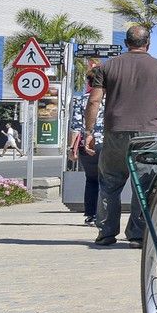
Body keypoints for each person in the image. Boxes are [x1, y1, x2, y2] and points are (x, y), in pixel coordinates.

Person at [84, 25, 157, 247]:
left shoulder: (107, 67)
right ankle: (138, 235)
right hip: (149, 134)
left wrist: (89, 131)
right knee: (146, 184)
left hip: (115, 132)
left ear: (126, 43)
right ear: (148, 43)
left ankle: (106, 233)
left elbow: (94, 100)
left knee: (110, 182)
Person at [67, 62, 106, 227]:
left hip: (86, 144)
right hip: (107, 144)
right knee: (107, 180)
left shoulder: (79, 100)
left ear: (88, 83)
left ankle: (90, 215)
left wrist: (72, 148)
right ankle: (104, 215)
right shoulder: (111, 99)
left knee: (91, 180)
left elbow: (76, 126)